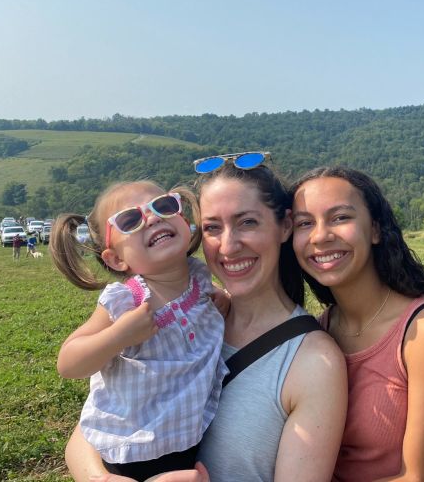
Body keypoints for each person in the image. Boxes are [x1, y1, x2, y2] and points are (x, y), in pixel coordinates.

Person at [65, 152, 347, 482]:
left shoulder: (312, 361)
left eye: (247, 222)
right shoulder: (176, 319)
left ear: (285, 225)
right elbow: (94, 427)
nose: (228, 247)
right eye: (214, 227)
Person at [290, 166, 424, 482]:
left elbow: (420, 478)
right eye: (305, 223)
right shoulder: (316, 333)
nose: (320, 236)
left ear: (375, 229)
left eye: (340, 218)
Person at [50, 180, 227, 481]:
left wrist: (224, 300)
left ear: (185, 222)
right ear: (117, 259)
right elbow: (68, 362)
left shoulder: (200, 278)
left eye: (165, 205)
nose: (154, 217)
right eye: (131, 220)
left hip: (189, 441)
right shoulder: (126, 301)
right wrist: (119, 335)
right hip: (131, 453)